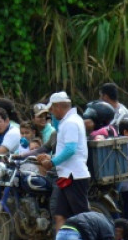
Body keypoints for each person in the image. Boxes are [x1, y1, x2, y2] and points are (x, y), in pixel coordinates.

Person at [37, 91, 90, 229]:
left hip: (74, 176)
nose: (51, 113)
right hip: (66, 175)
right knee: (59, 216)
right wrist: (51, 157)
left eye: (52, 109)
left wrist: (52, 162)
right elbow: (66, 150)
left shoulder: (71, 122)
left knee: (81, 217)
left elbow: (70, 149)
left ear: (58, 107)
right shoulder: (69, 121)